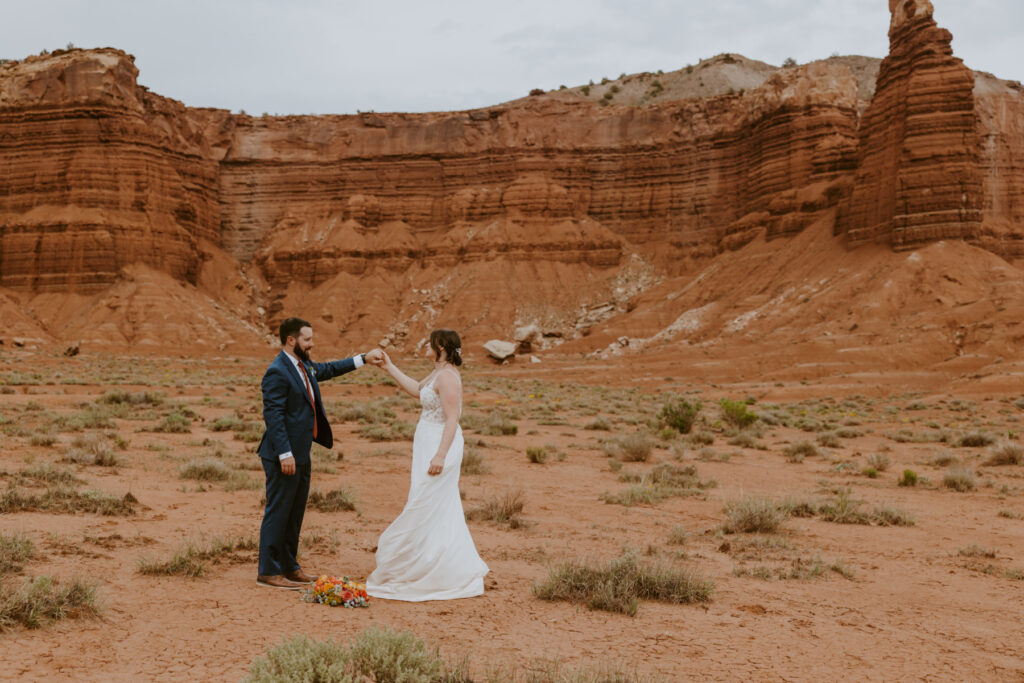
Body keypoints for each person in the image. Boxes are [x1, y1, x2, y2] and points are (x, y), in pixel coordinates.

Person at [256, 317, 383, 590]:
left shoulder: (304, 366)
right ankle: (268, 571)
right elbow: (274, 416)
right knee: (278, 511)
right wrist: (285, 454)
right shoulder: (277, 371)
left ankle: (290, 567)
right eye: (307, 340)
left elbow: (329, 369)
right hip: (284, 455)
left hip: (301, 453)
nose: (312, 344)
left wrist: (362, 359)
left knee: (295, 511)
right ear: (291, 340)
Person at [365, 329, 489, 601]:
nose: (424, 346)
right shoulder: (437, 373)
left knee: (428, 500)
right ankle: (426, 560)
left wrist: (441, 455)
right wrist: (389, 367)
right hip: (427, 442)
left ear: (441, 346)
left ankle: (438, 567)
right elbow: (416, 390)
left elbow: (452, 418)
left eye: (429, 343)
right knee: (428, 501)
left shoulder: (446, 377)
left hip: (439, 443)